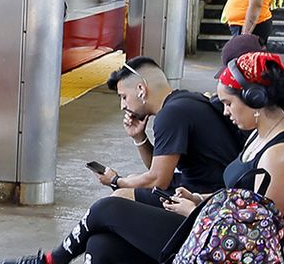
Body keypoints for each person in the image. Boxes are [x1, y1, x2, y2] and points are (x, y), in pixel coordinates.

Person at [0, 52, 284, 264]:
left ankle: (54, 263)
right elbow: (237, 199)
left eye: (229, 103)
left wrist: (197, 209)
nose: (224, 111)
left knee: (109, 206)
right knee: (100, 244)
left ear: (254, 97)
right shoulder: (259, 135)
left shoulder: (281, 155)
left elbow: (252, 236)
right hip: (208, 233)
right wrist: (199, 197)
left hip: (226, 262)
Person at [92, 56, 243, 207]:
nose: (122, 106)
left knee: (119, 197)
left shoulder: (170, 115)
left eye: (124, 97)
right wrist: (139, 138)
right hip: (210, 186)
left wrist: (115, 181)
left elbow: (158, 181)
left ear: (141, 89)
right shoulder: (185, 100)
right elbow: (161, 168)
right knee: (132, 180)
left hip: (205, 195)